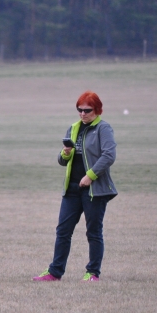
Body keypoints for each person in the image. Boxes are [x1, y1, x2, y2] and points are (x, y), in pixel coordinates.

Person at [33, 91, 117, 282]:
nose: (82, 114)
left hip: (94, 190)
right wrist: (65, 153)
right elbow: (63, 161)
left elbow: (109, 155)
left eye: (87, 110)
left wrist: (90, 176)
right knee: (63, 231)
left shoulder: (103, 128)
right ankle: (55, 272)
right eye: (80, 110)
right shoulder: (73, 128)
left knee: (93, 232)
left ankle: (92, 273)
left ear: (97, 110)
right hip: (71, 189)